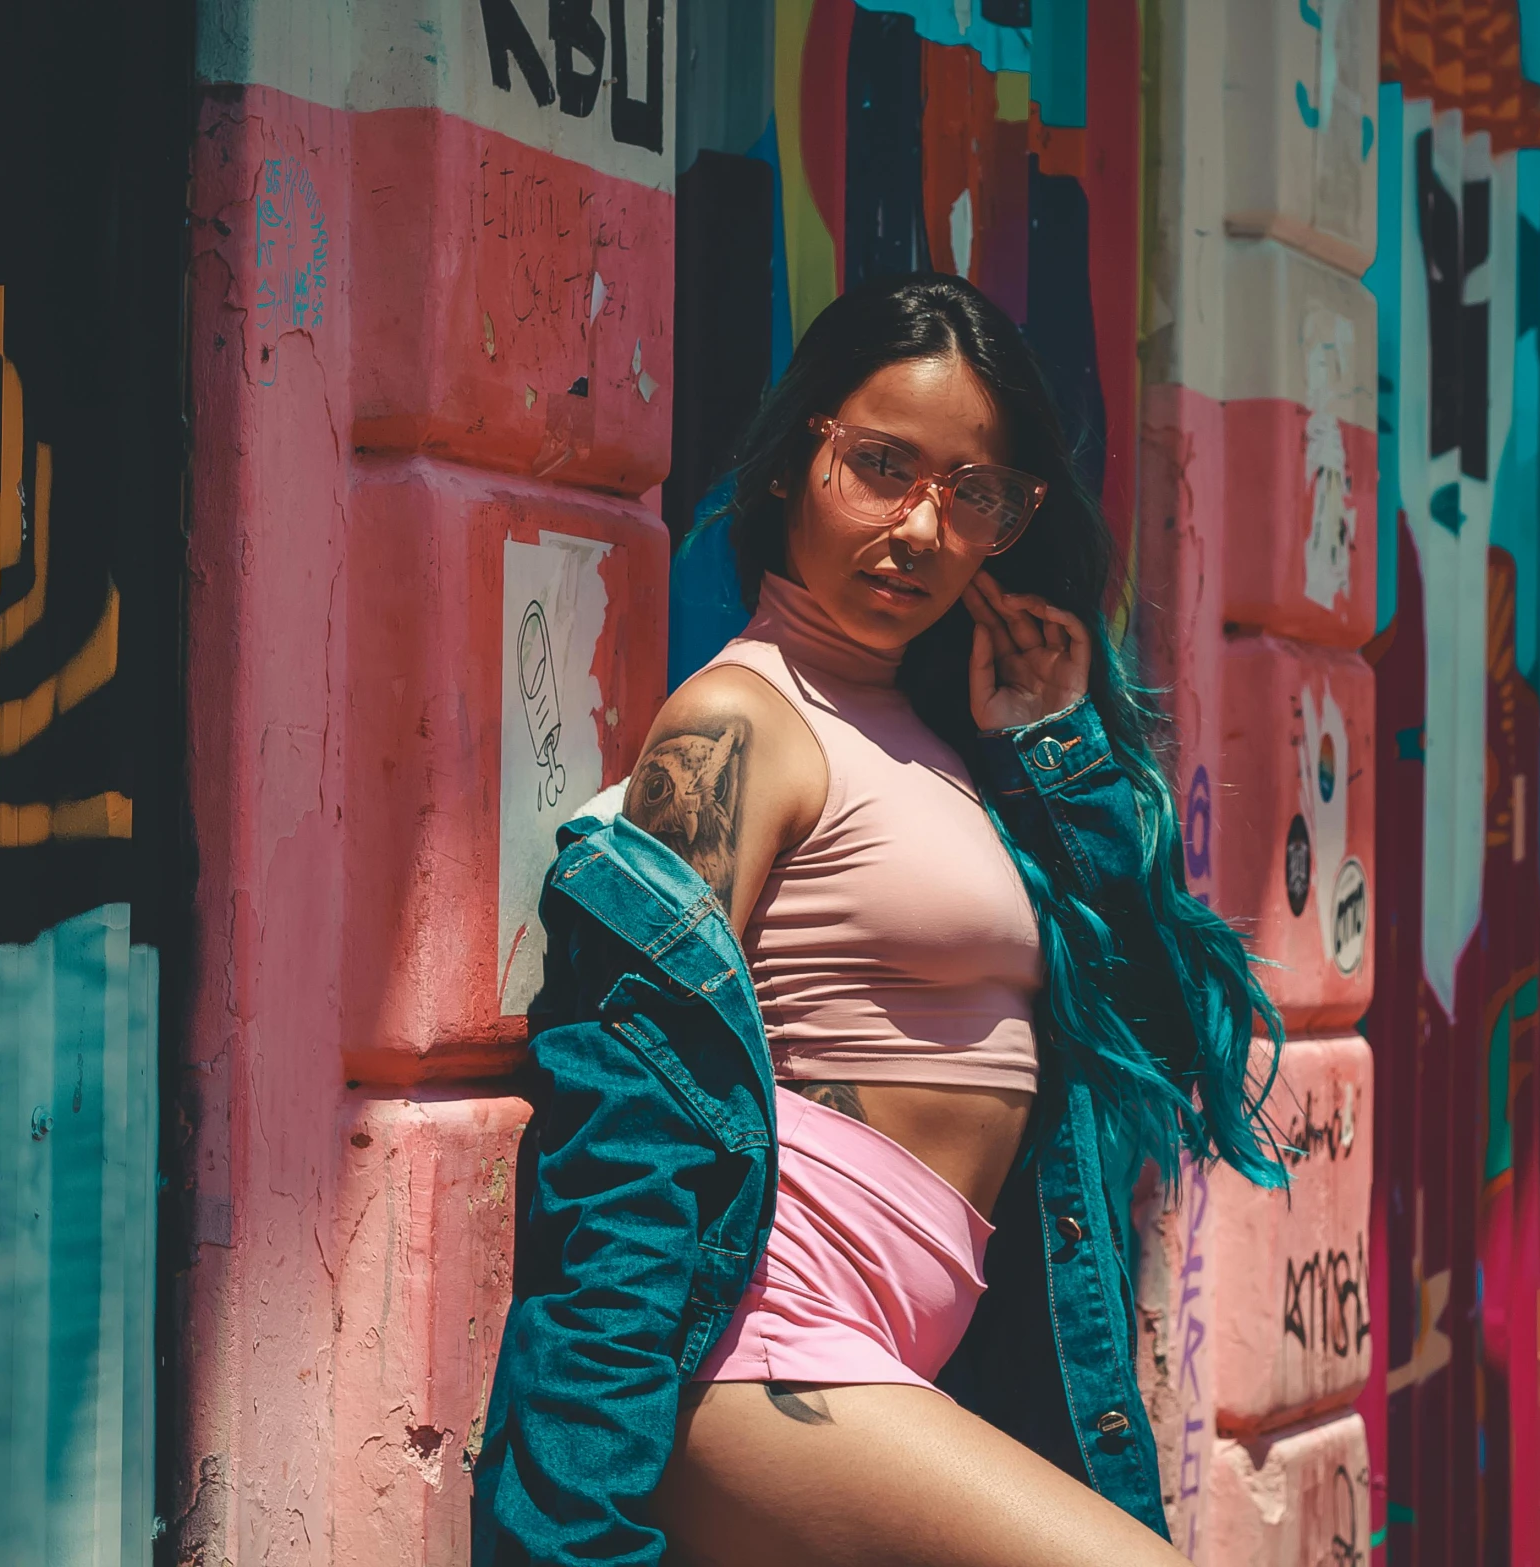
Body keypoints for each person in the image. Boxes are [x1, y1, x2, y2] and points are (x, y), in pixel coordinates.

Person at [475, 274, 1288, 1567]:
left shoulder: (949, 741)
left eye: (972, 493)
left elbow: (1160, 1043)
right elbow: (630, 1118)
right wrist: (570, 1522)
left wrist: (1054, 748)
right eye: (881, 466)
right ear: (799, 456)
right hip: (766, 1345)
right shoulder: (738, 724)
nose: (919, 528)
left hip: (882, 1355)